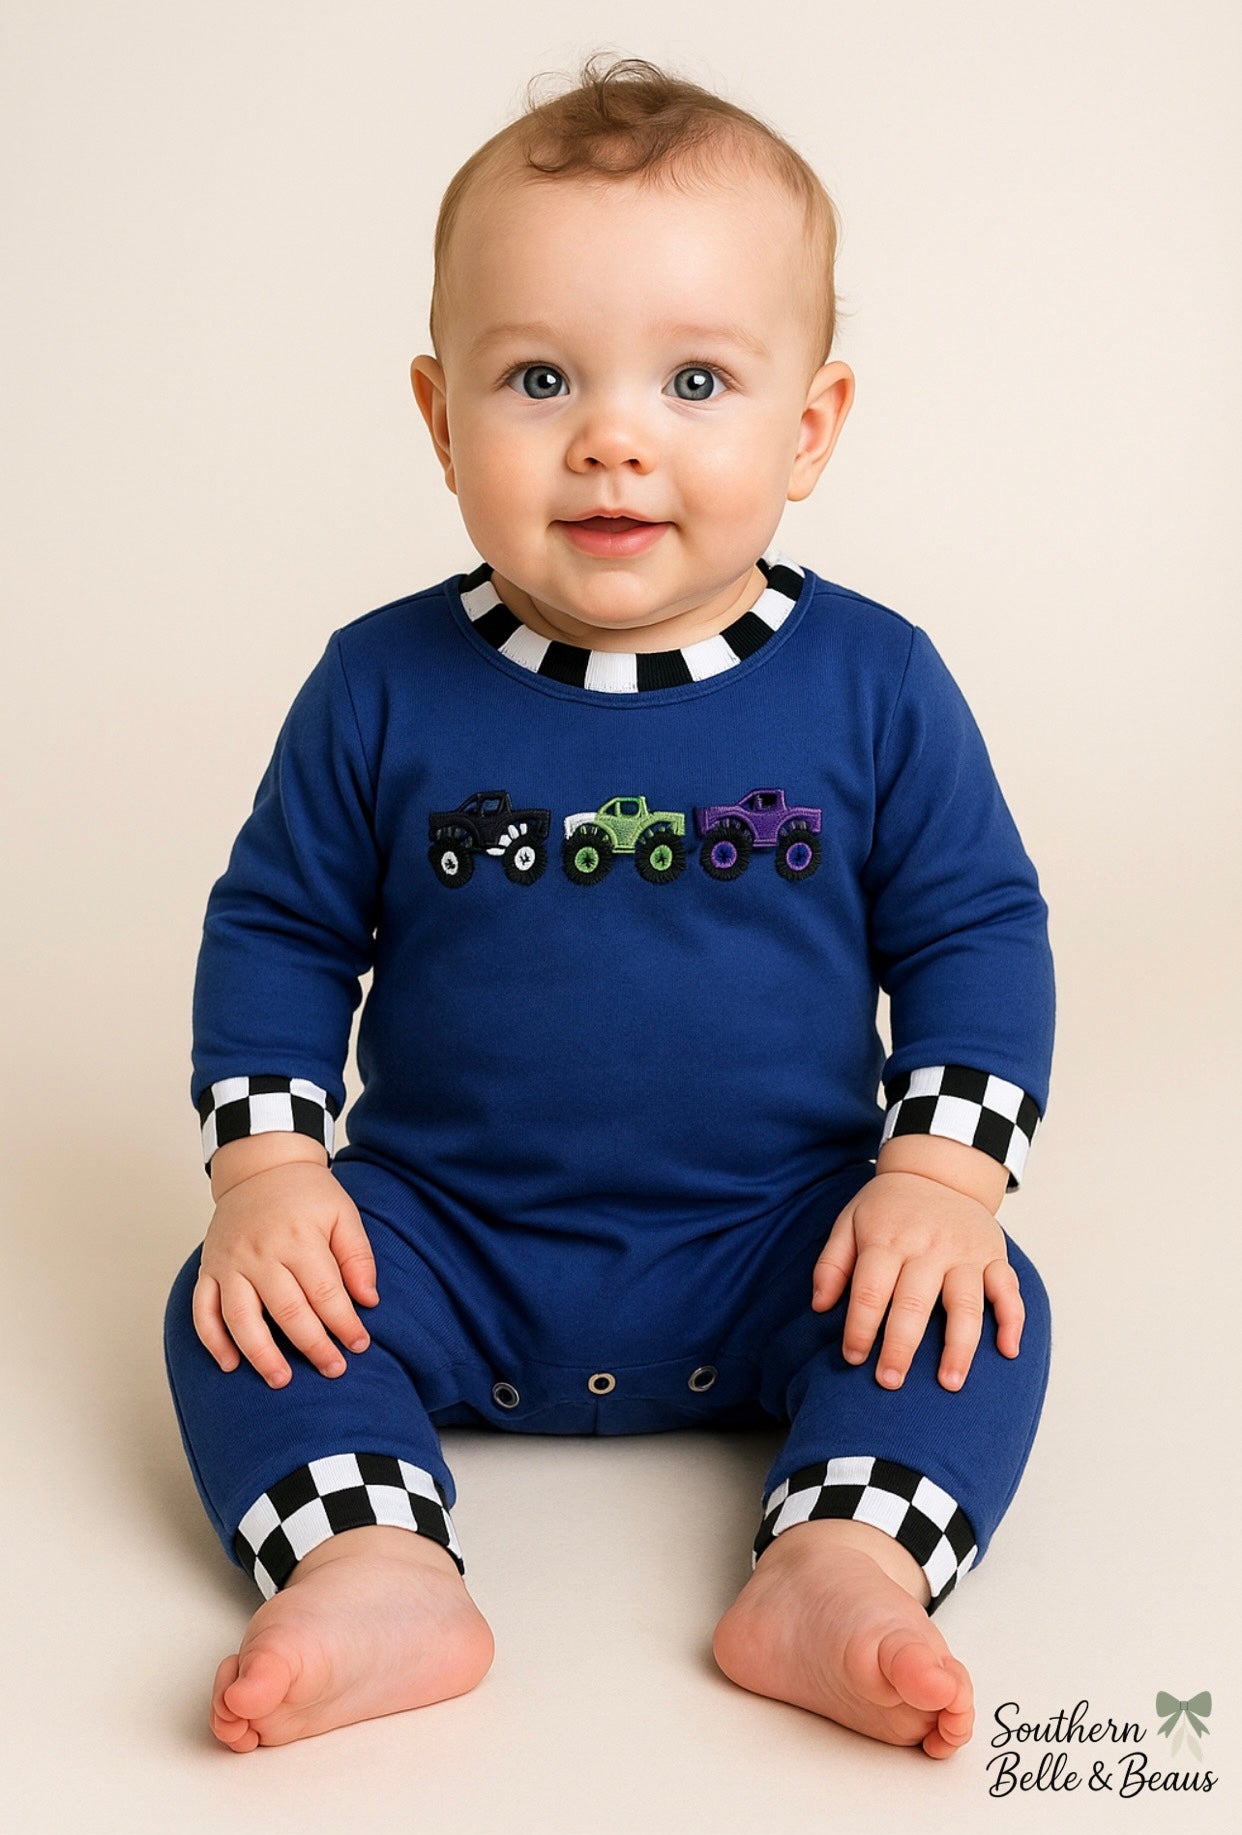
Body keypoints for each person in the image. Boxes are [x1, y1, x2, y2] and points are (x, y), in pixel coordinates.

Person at [164, 52, 1055, 1758]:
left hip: (784, 1233)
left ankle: (840, 1557)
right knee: (230, 1312)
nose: (612, 437)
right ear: (438, 419)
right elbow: (278, 931)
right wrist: (269, 1171)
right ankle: (369, 1561)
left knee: (979, 1312)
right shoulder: (380, 686)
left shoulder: (876, 686)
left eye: (698, 378)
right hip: (442, 1235)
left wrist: (938, 1176)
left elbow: (972, 934)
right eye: (540, 377)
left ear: (810, 428)